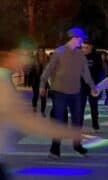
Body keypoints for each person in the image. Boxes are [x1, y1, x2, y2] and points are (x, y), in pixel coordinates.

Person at [0, 49, 85, 180]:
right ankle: (55, 149)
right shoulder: (3, 84)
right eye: (21, 55)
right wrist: (70, 133)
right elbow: (27, 121)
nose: (26, 61)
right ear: (8, 56)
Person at [40, 27, 97, 159]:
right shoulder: (59, 52)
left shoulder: (80, 55)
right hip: (60, 92)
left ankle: (77, 146)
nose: (82, 42)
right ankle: (55, 149)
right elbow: (48, 70)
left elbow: (85, 73)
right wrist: (43, 85)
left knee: (77, 120)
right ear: (75, 38)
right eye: (81, 39)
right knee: (59, 121)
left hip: (76, 93)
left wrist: (92, 86)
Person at [80, 40, 104, 130]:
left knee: (94, 106)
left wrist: (98, 85)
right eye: (82, 47)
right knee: (80, 106)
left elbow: (100, 72)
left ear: (91, 47)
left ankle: (95, 124)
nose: (84, 49)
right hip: (81, 86)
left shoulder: (96, 57)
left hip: (93, 86)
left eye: (86, 47)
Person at [30, 48, 49, 117]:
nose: (41, 52)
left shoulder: (47, 59)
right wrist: (31, 81)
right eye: (39, 51)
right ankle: (34, 107)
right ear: (38, 52)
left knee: (43, 96)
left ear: (44, 52)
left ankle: (43, 111)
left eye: (42, 51)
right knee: (35, 95)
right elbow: (31, 71)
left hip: (44, 81)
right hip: (36, 80)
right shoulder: (34, 60)